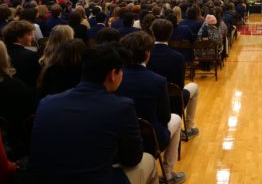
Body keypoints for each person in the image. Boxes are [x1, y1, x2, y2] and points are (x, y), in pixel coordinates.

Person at [27, 42, 158, 184]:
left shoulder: (47, 102)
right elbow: (132, 158)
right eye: (121, 71)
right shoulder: (122, 107)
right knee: (149, 160)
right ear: (113, 74)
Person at [117, 32, 186, 184]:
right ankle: (168, 173)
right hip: (151, 136)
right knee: (176, 118)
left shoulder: (114, 78)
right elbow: (165, 117)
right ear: (147, 54)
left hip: (121, 136)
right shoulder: (158, 81)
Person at [150, 19, 200, 140]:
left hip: (151, 96)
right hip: (173, 99)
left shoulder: (147, 54)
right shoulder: (178, 57)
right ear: (170, 34)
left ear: (152, 33)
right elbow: (180, 85)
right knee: (194, 87)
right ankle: (188, 129)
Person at [2, 20, 40, 88]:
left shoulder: (2, 52)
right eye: (29, 34)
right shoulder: (30, 56)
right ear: (19, 38)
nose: (32, 38)